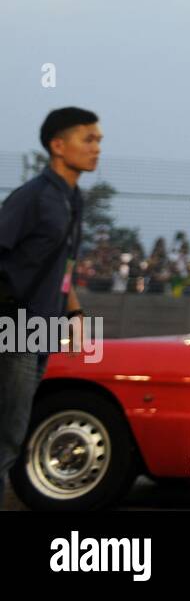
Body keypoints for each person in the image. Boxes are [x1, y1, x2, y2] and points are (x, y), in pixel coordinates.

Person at [0, 107, 100, 507]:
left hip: (40, 328)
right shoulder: (35, 197)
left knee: (12, 433)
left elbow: (63, 267)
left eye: (98, 141)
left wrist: (74, 315)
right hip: (15, 323)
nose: (96, 149)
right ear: (58, 146)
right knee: (6, 435)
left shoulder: (72, 199)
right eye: (87, 139)